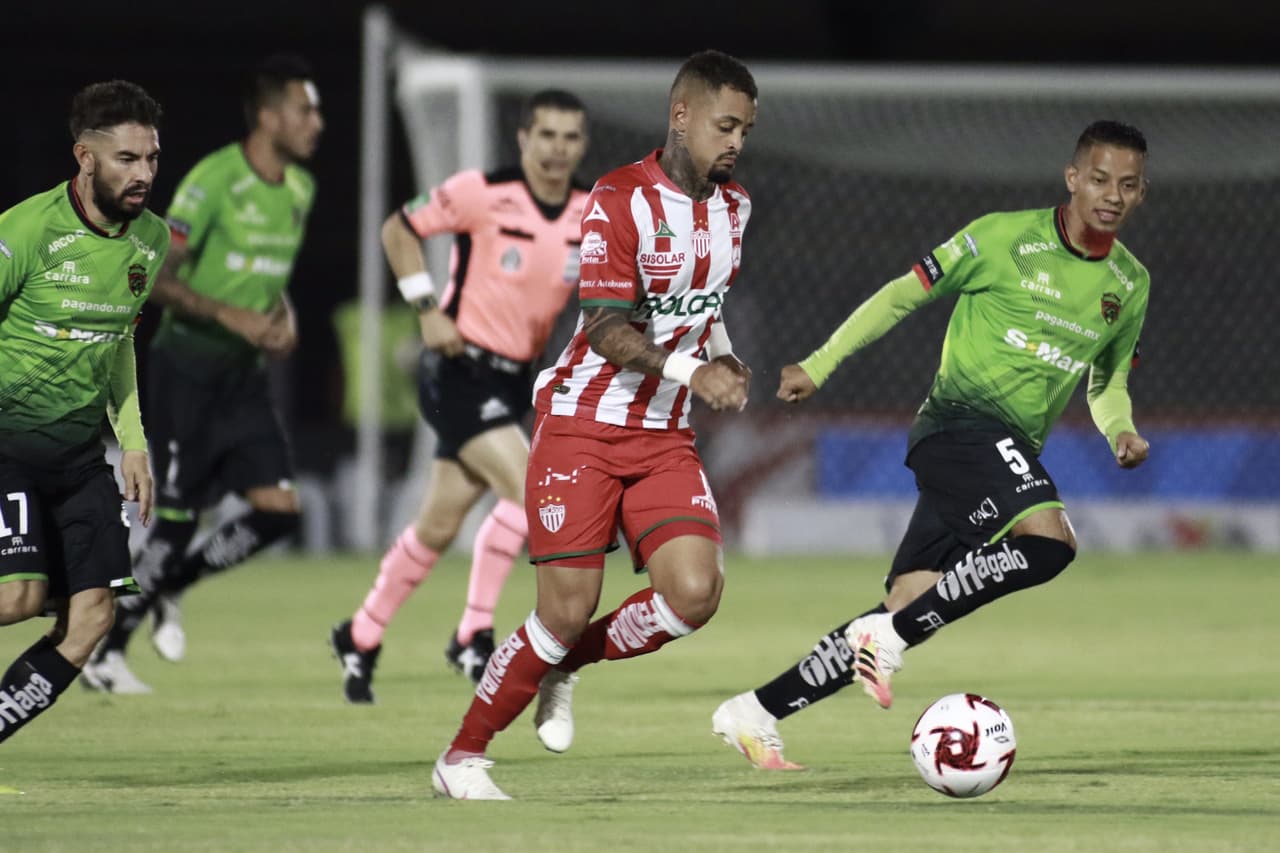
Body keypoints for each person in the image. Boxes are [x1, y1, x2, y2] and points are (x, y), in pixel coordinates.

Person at [712, 119, 1152, 770]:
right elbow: (900, 295)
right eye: (1099, 179)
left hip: (998, 453)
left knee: (909, 600)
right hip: (957, 424)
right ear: (1072, 178)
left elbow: (1106, 380)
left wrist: (1120, 429)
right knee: (1049, 541)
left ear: (1142, 192)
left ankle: (756, 709)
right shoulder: (1003, 237)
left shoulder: (1130, 283)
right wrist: (822, 362)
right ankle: (887, 637)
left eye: (1129, 184)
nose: (1112, 194)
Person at [430, 49, 759, 800]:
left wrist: (726, 356)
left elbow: (704, 311)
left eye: (746, 129)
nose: (736, 142)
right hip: (582, 426)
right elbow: (606, 326)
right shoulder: (617, 198)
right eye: (725, 125)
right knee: (564, 608)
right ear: (682, 116)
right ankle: (461, 757)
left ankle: (566, 665)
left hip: (664, 437)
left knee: (695, 593)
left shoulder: (735, 207)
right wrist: (690, 372)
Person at [327, 90, 592, 704]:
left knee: (437, 527)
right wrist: (425, 307)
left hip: (511, 382)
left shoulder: (589, 211)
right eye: (545, 135)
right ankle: (474, 632)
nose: (557, 149)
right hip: (455, 368)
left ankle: (360, 633)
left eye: (570, 137)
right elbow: (399, 228)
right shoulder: (482, 192)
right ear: (523, 139)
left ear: (581, 144)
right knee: (534, 487)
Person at [81, 55, 323, 693]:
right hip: (187, 368)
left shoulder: (300, 190)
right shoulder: (215, 180)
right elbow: (158, 273)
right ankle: (105, 652)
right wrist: (231, 316)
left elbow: (269, 281)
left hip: (243, 378)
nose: (317, 123)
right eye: (306, 110)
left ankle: (167, 587)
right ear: (270, 117)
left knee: (281, 510)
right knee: (180, 516)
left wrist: (282, 318)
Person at [0, 80, 168, 740]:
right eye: (127, 158)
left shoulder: (148, 242)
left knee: (93, 615)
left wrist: (133, 442)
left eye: (152, 157)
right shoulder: (25, 231)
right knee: (20, 596)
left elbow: (119, 336)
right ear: (86, 157)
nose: (145, 173)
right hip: (8, 442)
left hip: (77, 457)